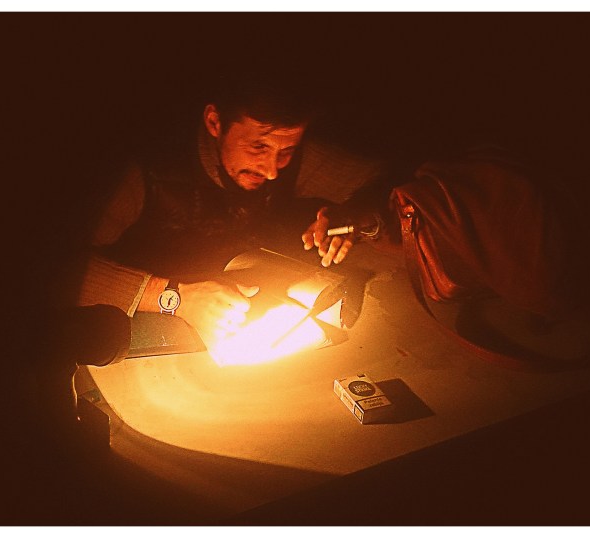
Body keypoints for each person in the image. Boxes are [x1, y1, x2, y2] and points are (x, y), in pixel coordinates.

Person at [74, 74, 387, 344]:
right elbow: (60, 266)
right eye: (258, 147)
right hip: (135, 332)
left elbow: (385, 184)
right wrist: (174, 298)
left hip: (238, 317)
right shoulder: (144, 170)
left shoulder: (289, 155)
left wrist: (353, 216)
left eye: (287, 151)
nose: (272, 170)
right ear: (215, 122)